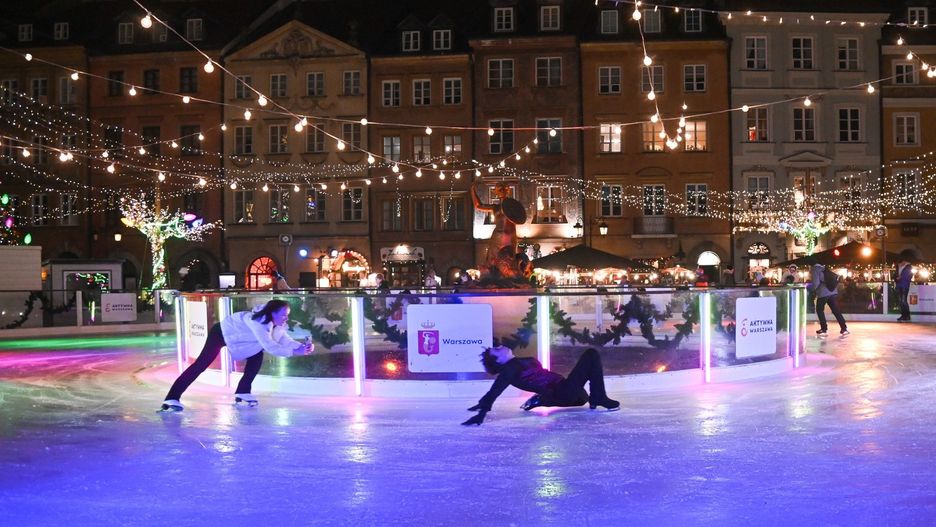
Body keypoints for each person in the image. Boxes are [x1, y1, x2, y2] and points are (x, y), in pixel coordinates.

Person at [160, 299, 313, 412]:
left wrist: (301, 347)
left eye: (287, 315)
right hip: (221, 333)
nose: (286, 318)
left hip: (242, 341)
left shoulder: (276, 324)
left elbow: (284, 339)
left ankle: (243, 391)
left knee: (256, 356)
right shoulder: (258, 323)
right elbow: (270, 346)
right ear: (272, 313)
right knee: (201, 365)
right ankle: (172, 397)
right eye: (284, 315)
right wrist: (294, 351)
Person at [462, 345, 620, 426]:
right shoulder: (509, 369)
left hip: (567, 393)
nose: (501, 346)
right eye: (497, 350)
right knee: (591, 354)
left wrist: (481, 404)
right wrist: (483, 411)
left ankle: (543, 399)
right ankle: (599, 397)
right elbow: (496, 389)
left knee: (583, 397)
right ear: (499, 360)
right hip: (562, 392)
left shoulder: (514, 364)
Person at [809, 259, 849, 338]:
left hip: (823, 293)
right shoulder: (824, 268)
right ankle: (844, 329)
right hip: (832, 292)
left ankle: (824, 329)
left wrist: (811, 289)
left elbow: (816, 283)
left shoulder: (815, 269)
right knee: (836, 311)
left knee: (819, 310)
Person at [896, 255, 914, 322]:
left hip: (905, 285)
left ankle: (906, 315)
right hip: (899, 285)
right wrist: (896, 278)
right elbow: (896, 275)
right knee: (901, 301)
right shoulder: (898, 266)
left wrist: (900, 278)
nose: (900, 264)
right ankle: (904, 315)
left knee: (903, 301)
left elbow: (909, 276)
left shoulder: (908, 267)